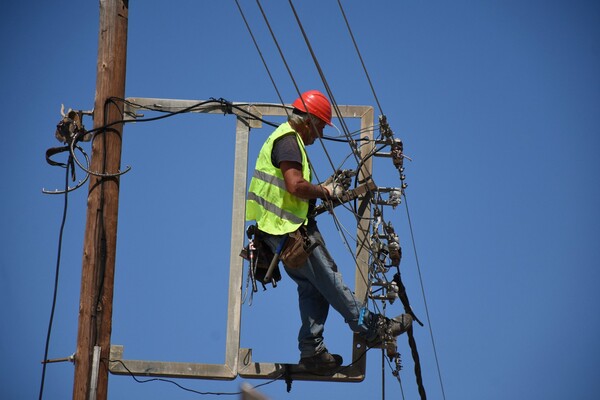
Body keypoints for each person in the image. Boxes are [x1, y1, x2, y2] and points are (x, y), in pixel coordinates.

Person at [246, 90, 412, 372]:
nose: (320, 133)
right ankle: (372, 329)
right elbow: (295, 186)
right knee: (330, 281)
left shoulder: (287, 140)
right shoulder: (288, 141)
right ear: (308, 120)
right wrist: (324, 191)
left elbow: (292, 192)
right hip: (290, 231)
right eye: (321, 126)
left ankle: (311, 351)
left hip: (279, 235)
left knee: (314, 289)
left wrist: (322, 191)